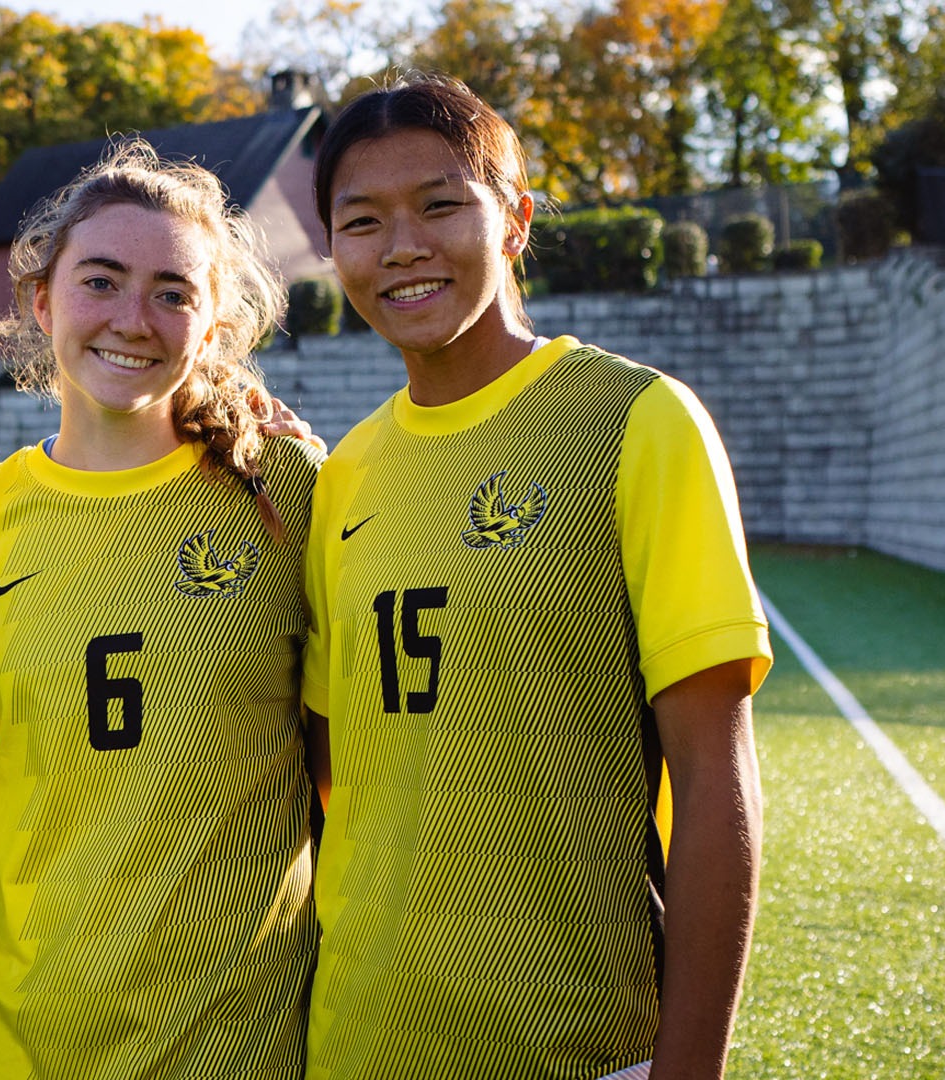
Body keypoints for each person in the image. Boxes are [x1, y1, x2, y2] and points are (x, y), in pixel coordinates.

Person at [300, 73, 772, 1080]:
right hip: (360, 1040)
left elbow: (715, 778)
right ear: (333, 249)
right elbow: (337, 772)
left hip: (580, 1047)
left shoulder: (632, 422)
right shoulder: (342, 477)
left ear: (514, 221)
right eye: (363, 221)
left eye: (440, 204)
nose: (403, 246)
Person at [0, 142, 323, 1079]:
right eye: (101, 280)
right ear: (40, 300)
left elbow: (355, 769)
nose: (134, 319)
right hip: (17, 1028)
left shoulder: (285, 492)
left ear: (214, 321)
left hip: (239, 1036)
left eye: (174, 292)